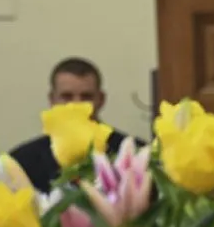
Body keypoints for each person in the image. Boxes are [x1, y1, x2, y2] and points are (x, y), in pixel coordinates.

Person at [9, 57, 143, 193]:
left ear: (101, 99)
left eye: (86, 96)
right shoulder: (22, 162)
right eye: (67, 97)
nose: (76, 105)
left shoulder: (134, 153)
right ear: (52, 99)